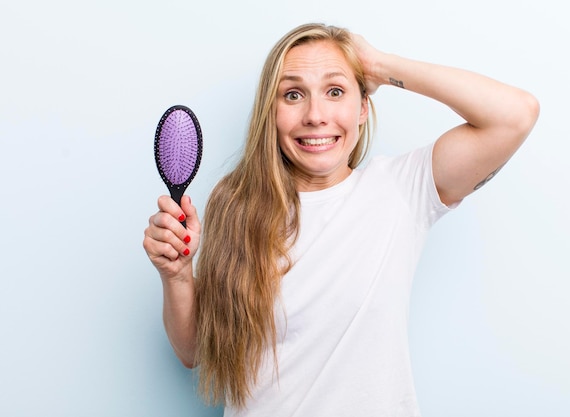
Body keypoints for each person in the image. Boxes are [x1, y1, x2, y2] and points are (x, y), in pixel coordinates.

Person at [143, 23, 539, 417]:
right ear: (271, 111)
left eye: (335, 91)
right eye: (293, 94)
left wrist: (379, 66)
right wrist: (176, 275)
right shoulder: (234, 204)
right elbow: (194, 352)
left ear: (363, 107)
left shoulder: (402, 190)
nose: (316, 116)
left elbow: (516, 114)